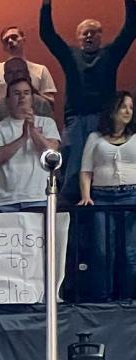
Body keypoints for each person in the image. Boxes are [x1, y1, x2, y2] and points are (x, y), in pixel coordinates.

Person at [41, 0, 136, 198]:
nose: (89, 35)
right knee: (73, 168)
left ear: (101, 36)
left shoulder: (110, 53)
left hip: (104, 121)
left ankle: (98, 210)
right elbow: (48, 35)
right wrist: (46, 5)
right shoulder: (69, 54)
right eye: (85, 32)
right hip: (75, 120)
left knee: (101, 168)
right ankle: (71, 218)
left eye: (94, 32)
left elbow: (130, 29)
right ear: (78, 37)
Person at [79, 91, 136, 298]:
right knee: (103, 251)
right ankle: (102, 297)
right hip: (102, 196)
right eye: (123, 106)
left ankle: (128, 298)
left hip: (131, 196)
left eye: (131, 107)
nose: (128, 111)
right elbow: (86, 170)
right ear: (113, 109)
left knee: (130, 251)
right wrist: (86, 195)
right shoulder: (95, 137)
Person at [0, 76, 61, 211]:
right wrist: (24, 137)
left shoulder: (47, 123)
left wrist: (33, 131)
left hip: (39, 198)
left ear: (32, 98)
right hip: (4, 200)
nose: (22, 97)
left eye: (26, 93)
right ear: (7, 100)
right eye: (16, 93)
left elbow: (52, 153)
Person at [0, 26, 58, 106]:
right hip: (3, 117)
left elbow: (51, 103)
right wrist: (4, 100)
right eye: (6, 40)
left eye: (14, 37)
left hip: (33, 117)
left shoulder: (41, 70)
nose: (10, 41)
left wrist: (33, 92)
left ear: (23, 39)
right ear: (3, 47)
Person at [0, 57, 55, 129]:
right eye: (10, 72)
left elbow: (51, 137)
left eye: (19, 71)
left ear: (27, 75)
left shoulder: (41, 105)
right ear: (5, 77)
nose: (15, 75)